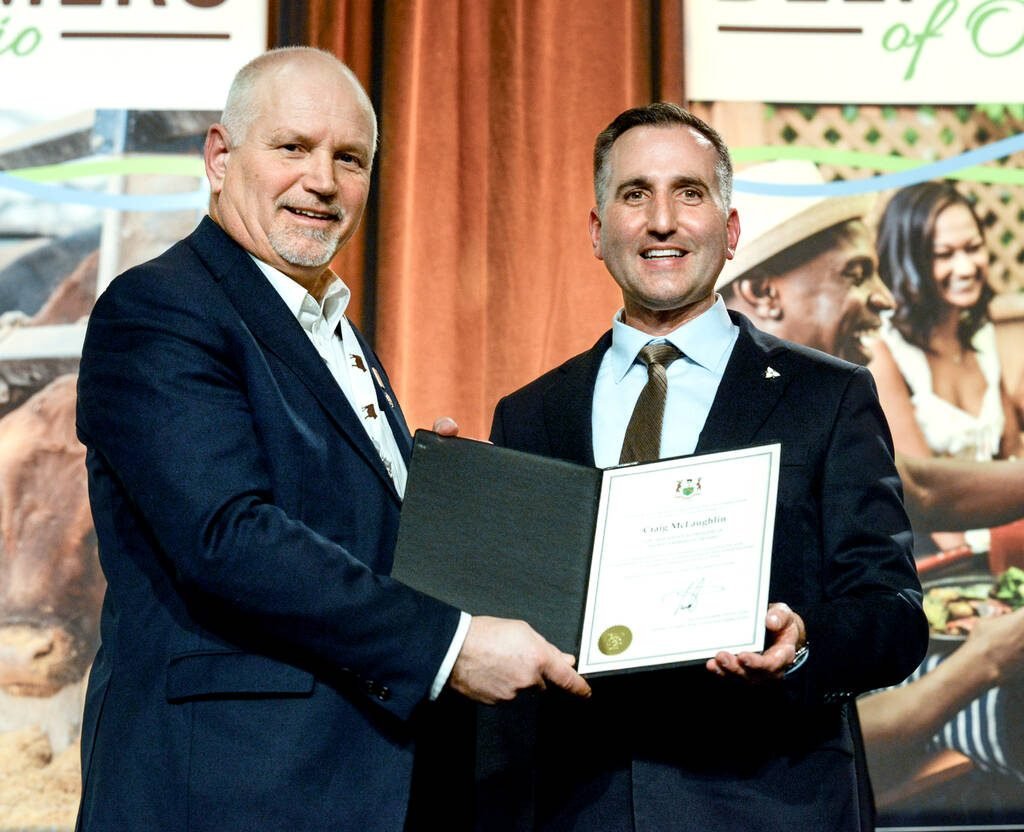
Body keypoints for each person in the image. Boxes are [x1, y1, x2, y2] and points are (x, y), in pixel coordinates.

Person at [73, 47, 589, 832]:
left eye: (350, 158)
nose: (322, 180)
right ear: (219, 156)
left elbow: (326, 514)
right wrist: (452, 644)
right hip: (224, 790)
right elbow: (228, 537)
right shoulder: (161, 309)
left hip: (347, 786)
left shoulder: (327, 324)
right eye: (293, 147)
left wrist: (431, 496)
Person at [488, 105, 928, 832]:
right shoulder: (530, 415)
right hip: (579, 809)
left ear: (728, 232)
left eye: (689, 192)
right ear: (598, 233)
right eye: (635, 194)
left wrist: (802, 643)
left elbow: (894, 616)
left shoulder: (830, 398)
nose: (662, 220)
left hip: (771, 806)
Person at [717, 162, 1024, 824]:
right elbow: (802, 737)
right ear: (763, 291)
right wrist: (983, 663)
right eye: (856, 275)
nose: (885, 300)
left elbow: (914, 484)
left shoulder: (812, 406)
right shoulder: (729, 472)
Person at [868, 182, 1023, 552]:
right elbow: (923, 498)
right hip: (935, 554)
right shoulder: (883, 352)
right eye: (944, 254)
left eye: (973, 248)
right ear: (909, 261)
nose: (966, 267)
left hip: (998, 543)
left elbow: (1007, 459)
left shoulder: (983, 336)